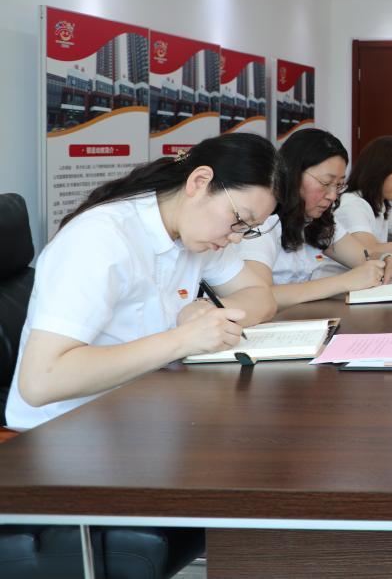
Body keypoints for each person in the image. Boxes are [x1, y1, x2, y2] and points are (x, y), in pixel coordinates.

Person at [7, 133, 279, 430]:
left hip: (143, 410)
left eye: (248, 229)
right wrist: (183, 338)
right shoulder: (99, 238)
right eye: (239, 218)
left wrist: (207, 310)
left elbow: (260, 295)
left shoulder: (199, 236)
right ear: (199, 182)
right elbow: (40, 382)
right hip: (63, 430)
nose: (237, 237)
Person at [239, 128, 392, 308]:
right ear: (294, 174)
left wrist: (388, 258)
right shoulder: (263, 221)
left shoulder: (319, 219)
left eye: (338, 185)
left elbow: (364, 255)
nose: (332, 195)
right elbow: (258, 296)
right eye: (325, 183)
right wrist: (345, 281)